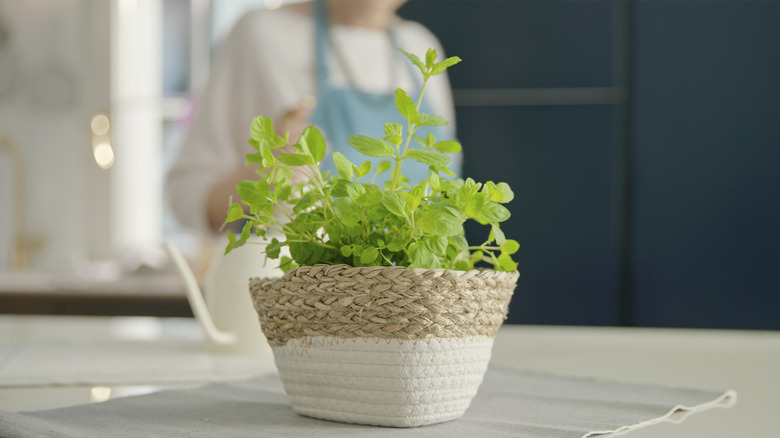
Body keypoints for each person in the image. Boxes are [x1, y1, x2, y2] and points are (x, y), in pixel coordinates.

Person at [167, 0, 461, 232]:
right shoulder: (262, 33)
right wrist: (270, 173)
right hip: (306, 300)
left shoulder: (421, 46)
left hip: (421, 300)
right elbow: (186, 196)